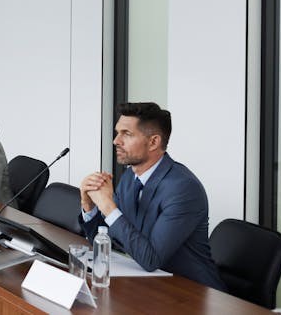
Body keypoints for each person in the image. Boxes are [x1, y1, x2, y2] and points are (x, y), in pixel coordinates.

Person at [79, 102, 225, 290]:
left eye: (127, 134)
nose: (116, 141)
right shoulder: (130, 177)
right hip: (150, 284)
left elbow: (151, 259)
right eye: (117, 133)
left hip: (191, 292)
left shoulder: (183, 189)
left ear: (154, 142)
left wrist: (108, 206)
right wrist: (88, 205)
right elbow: (105, 238)